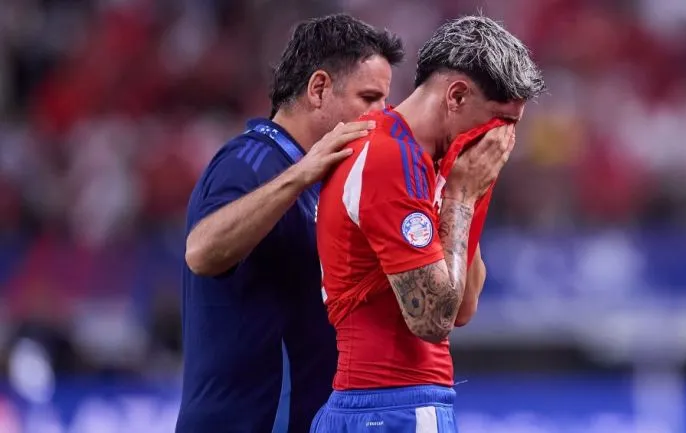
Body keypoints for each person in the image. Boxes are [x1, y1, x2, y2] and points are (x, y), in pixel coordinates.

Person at [313, 15, 545, 432]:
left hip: (394, 403)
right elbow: (433, 319)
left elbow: (463, 306)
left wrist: (468, 190)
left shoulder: (432, 166)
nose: (503, 141)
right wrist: (461, 197)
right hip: (390, 406)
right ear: (456, 96)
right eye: (501, 122)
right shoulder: (389, 157)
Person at [176, 14, 404, 433]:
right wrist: (300, 175)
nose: (381, 115)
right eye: (369, 98)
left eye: (385, 102)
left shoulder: (329, 181)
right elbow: (201, 251)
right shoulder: (249, 161)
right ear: (318, 89)